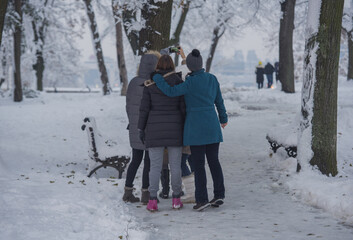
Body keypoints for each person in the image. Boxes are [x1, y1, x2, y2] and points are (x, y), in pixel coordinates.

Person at [151, 49, 228, 211]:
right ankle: (219, 194)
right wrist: (223, 119)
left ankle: (202, 199)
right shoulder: (212, 79)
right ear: (201, 64)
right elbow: (219, 101)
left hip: (195, 128)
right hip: (212, 126)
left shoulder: (189, 82)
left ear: (191, 68)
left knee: (198, 165)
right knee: (214, 162)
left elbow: (171, 92)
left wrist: (158, 79)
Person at [138, 54, 186, 212]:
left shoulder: (150, 85)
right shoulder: (179, 84)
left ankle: (152, 200)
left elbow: (144, 109)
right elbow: (183, 109)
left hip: (154, 129)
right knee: (176, 166)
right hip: (175, 129)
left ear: (157, 66)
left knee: (155, 167)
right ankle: (176, 199)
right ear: (173, 67)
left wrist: (141, 128)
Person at [123, 51, 160, 204]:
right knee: (149, 162)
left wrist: (132, 121)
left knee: (135, 159)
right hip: (150, 127)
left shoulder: (133, 82)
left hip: (134, 127)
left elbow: (128, 105)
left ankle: (127, 192)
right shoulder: (155, 83)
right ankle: (146, 194)